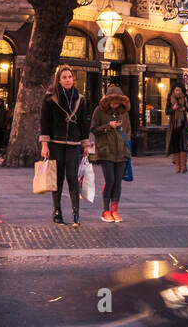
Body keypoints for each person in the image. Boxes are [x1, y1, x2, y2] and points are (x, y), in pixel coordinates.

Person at [39, 65, 90, 227]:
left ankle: (76, 213)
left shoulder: (80, 99)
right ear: (59, 80)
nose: (68, 80)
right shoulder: (50, 98)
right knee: (58, 178)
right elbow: (45, 122)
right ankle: (57, 211)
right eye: (64, 77)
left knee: (73, 178)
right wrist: (45, 145)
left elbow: (84, 122)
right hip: (56, 144)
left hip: (74, 144)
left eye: (70, 77)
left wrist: (85, 144)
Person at [91, 83, 132, 223]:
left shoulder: (124, 112)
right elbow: (94, 129)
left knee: (118, 183)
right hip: (106, 152)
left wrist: (126, 146)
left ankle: (115, 210)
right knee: (110, 180)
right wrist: (108, 126)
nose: (114, 105)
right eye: (112, 102)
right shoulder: (99, 111)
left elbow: (128, 130)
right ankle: (105, 211)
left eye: (117, 102)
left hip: (121, 152)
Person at [165, 86, 188, 173]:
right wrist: (173, 108)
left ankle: (183, 166)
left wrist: (185, 109)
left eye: (179, 90)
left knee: (183, 146)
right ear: (173, 91)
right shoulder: (170, 99)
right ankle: (178, 166)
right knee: (175, 147)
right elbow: (167, 112)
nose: (178, 91)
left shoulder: (186, 98)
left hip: (184, 126)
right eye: (176, 90)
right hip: (174, 127)